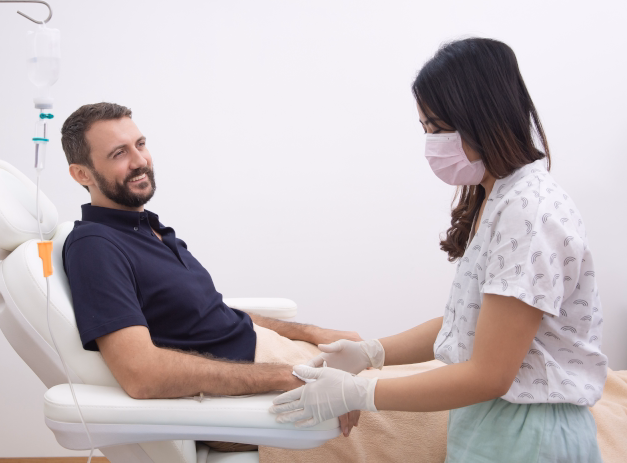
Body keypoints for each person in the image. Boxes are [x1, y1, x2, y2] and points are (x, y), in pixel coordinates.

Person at [270, 38, 607, 462]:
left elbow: (490, 373)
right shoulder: (499, 198)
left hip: (529, 435)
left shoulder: (529, 209)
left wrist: (361, 391)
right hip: (493, 425)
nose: (430, 142)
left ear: (480, 117)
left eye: (436, 127)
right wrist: (372, 353)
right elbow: (468, 324)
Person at [59, 102, 363, 450]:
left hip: (277, 359)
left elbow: (213, 312)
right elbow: (140, 373)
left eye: (140, 144)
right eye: (118, 153)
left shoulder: (151, 231)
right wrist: (283, 375)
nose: (140, 161)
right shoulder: (95, 246)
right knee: (425, 405)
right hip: (258, 390)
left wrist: (312, 333)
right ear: (82, 174)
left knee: (420, 368)